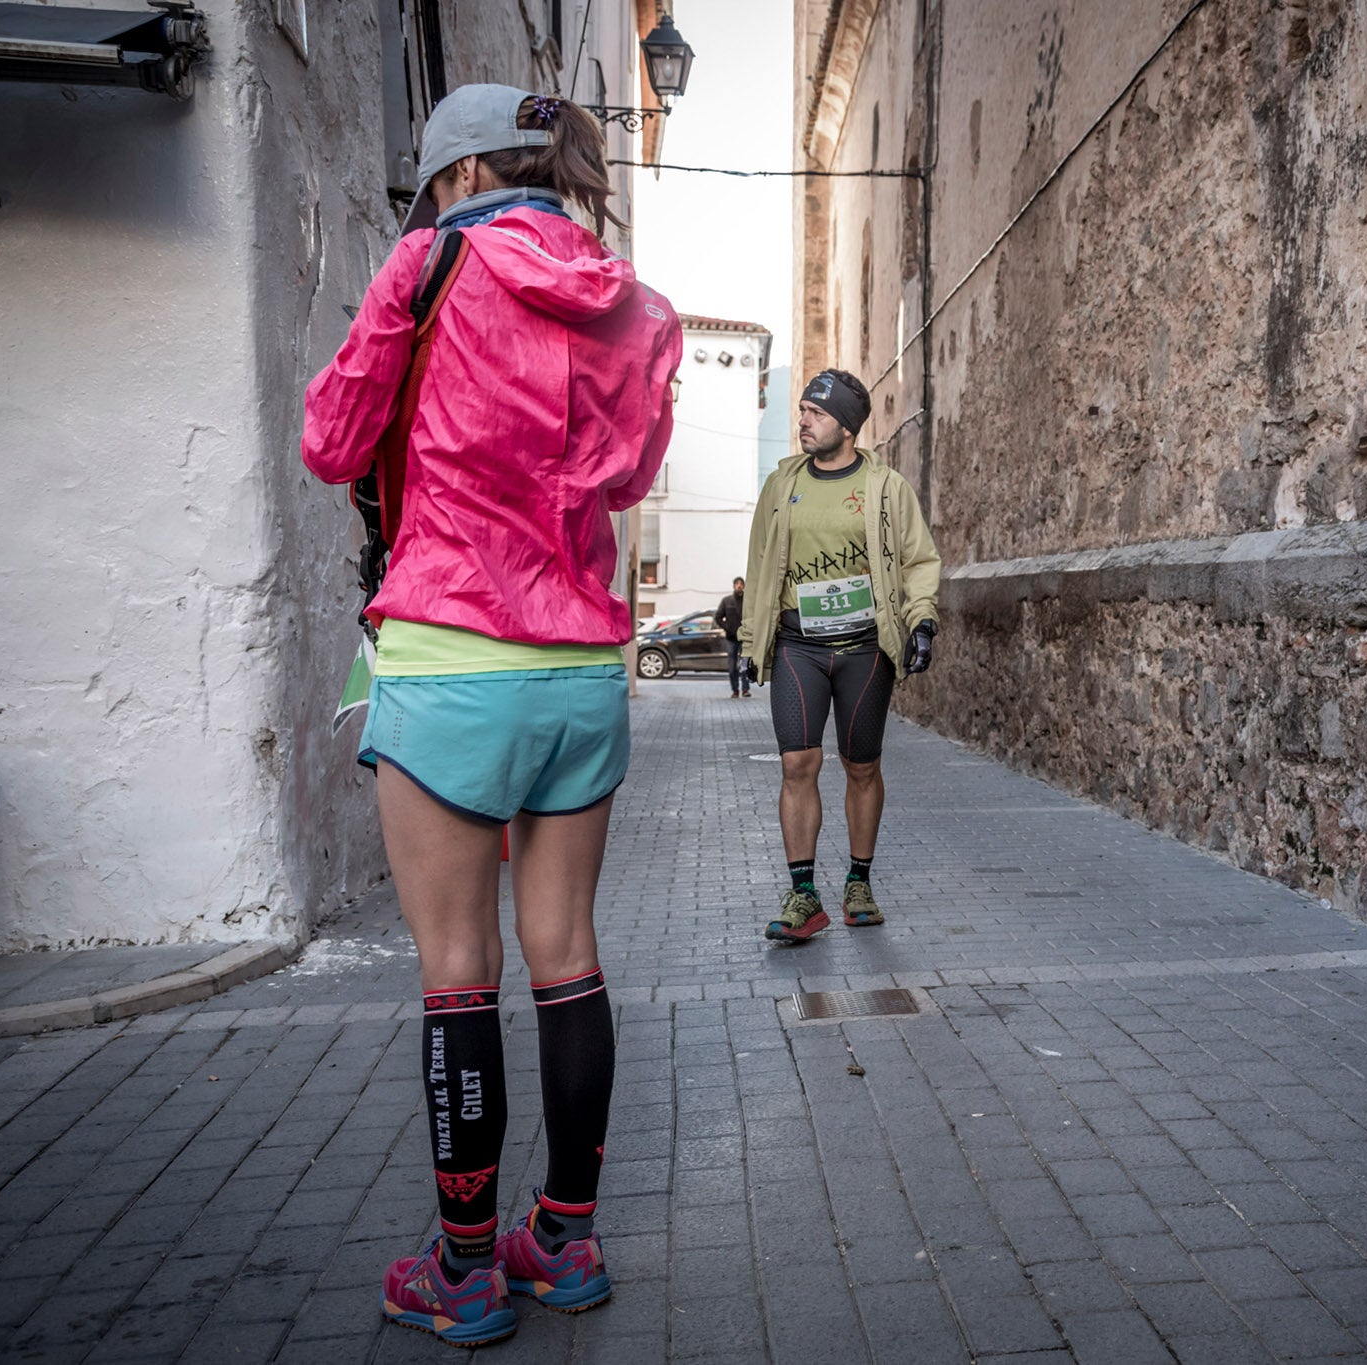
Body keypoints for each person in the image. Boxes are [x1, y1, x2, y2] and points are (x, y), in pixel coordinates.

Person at [301, 84, 680, 1348]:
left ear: (459, 177)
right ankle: (561, 1245)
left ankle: (463, 1269)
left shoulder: (429, 263)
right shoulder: (622, 295)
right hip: (578, 665)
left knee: (456, 972)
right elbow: (623, 471)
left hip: (448, 652)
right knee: (566, 953)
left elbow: (329, 440)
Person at [738, 368, 940, 944]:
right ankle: (804, 894)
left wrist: (921, 619)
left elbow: (919, 559)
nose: (803, 420)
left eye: (816, 413)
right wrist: (753, 638)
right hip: (798, 643)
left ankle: (859, 881)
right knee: (797, 765)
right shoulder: (782, 486)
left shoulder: (887, 488)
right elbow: (759, 561)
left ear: (847, 427)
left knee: (862, 766)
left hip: (864, 649)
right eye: (802, 410)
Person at [715, 575, 747, 697]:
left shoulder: (748, 601)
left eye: (741, 584)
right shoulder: (727, 601)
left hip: (744, 638)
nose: (739, 585)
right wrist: (727, 627)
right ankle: (735, 690)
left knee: (744, 665)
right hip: (731, 638)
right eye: (737, 584)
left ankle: (745, 689)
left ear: (744, 586)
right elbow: (718, 617)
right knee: (732, 666)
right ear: (734, 586)